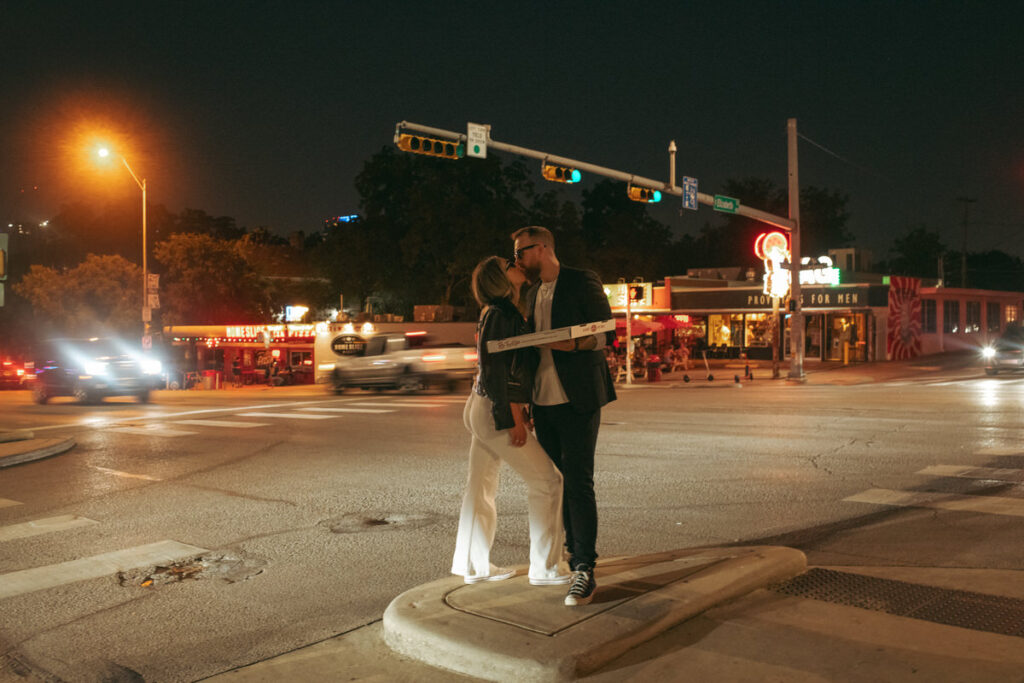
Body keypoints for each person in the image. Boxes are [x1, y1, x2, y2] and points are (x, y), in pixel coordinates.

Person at [512, 225, 616, 606]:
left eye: (520, 252)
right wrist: (524, 400)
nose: (517, 260)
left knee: (578, 481)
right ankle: (571, 557)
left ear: (542, 248)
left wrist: (567, 343)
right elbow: (527, 352)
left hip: (578, 397)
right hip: (543, 402)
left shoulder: (582, 280)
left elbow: (606, 332)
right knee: (556, 482)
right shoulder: (530, 293)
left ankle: (585, 568)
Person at [451, 256, 570, 587]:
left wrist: (517, 408)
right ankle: (546, 568)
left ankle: (474, 566)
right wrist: (513, 415)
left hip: (482, 407)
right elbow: (496, 370)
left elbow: (499, 369)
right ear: (499, 279)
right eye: (508, 264)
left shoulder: (495, 311)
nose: (515, 264)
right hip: (494, 410)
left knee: (480, 486)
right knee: (548, 481)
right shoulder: (501, 313)